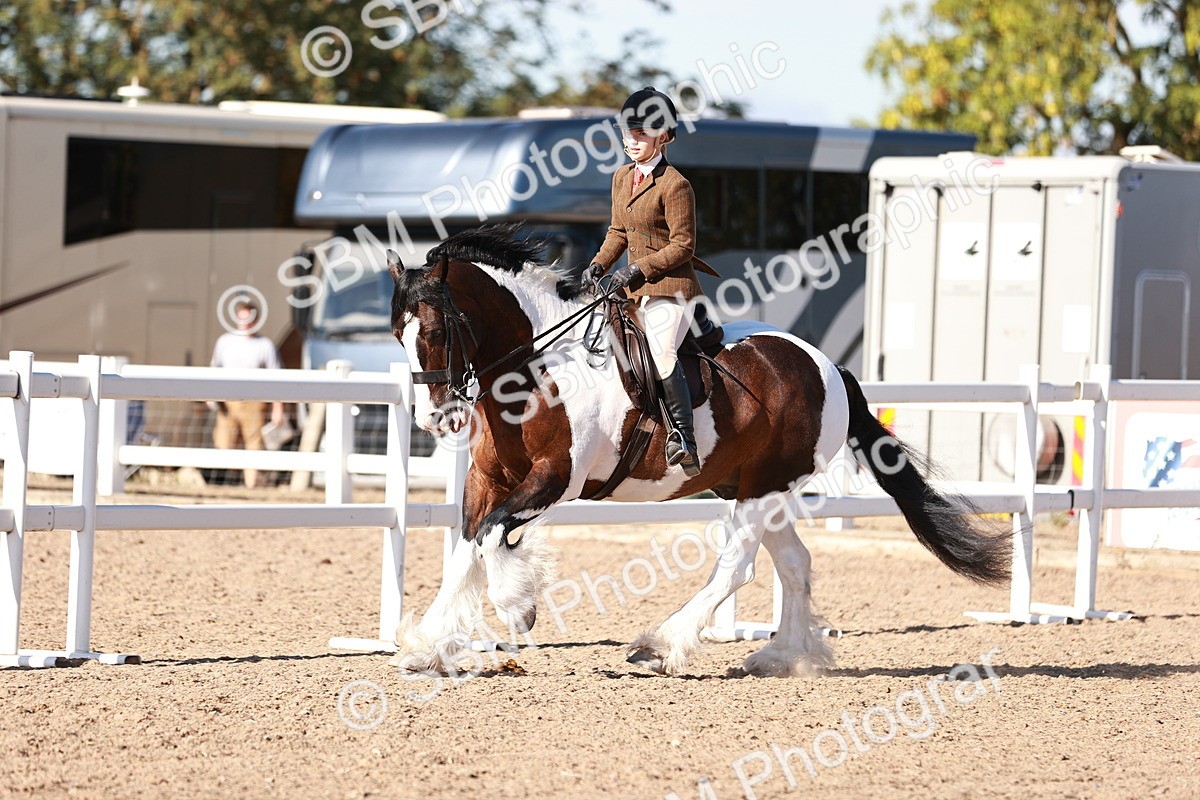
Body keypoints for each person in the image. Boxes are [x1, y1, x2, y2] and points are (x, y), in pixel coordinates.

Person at [588, 86, 721, 477]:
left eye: (642, 133)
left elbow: (683, 245)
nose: (633, 141)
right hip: (632, 290)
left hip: (670, 289)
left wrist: (638, 269)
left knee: (661, 354)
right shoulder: (621, 177)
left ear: (664, 136)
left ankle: (684, 437)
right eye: (628, 133)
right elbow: (618, 231)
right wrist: (597, 264)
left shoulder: (675, 184)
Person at [209, 299, 284, 488]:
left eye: (249, 318)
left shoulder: (265, 345)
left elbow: (277, 377)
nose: (245, 322)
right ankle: (227, 484)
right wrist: (211, 395)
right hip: (227, 401)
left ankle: (251, 486)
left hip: (254, 402)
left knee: (254, 446)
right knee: (224, 443)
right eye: (242, 318)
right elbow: (214, 368)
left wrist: (278, 407)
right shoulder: (224, 342)